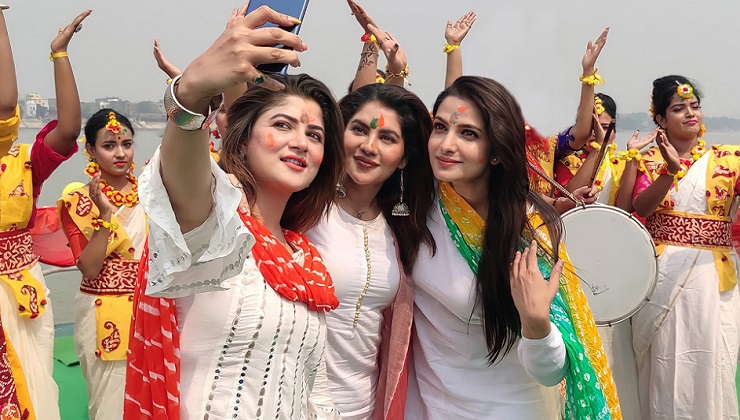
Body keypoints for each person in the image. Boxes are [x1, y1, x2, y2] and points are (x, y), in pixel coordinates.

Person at [124, 5, 344, 419]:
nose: (301, 142)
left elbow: (316, 391)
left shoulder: (307, 261)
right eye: (282, 125)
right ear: (242, 141)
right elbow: (182, 178)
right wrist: (192, 91)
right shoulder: (213, 227)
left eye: (315, 134)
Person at [406, 76, 620, 419]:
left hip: (509, 408)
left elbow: (552, 372)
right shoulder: (416, 202)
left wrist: (536, 322)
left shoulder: (526, 232)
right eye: (440, 127)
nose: (446, 144)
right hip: (427, 406)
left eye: (468, 134)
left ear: (496, 152)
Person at [306, 83, 435, 419]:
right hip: (297, 403)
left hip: (364, 406)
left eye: (387, 138)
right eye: (359, 130)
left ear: (404, 158)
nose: (369, 146)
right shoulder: (303, 208)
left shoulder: (400, 230)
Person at [631, 75, 740, 419]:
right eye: (679, 108)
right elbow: (641, 208)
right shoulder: (647, 161)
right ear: (661, 119)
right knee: (665, 364)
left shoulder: (729, 160)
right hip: (663, 276)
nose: (691, 113)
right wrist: (670, 171)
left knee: (714, 360)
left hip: (714, 279)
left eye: (695, 106)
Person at [0, 8, 89, 420]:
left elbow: (68, 130)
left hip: (26, 294)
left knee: (37, 393)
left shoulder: (22, 162)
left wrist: (59, 53)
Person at [57, 109, 142, 419]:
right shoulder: (77, 202)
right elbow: (90, 268)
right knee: (109, 405)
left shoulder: (152, 194)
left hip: (150, 309)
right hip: (101, 313)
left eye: (126, 144)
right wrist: (104, 215)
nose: (120, 153)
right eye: (109, 145)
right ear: (91, 150)